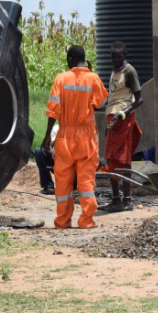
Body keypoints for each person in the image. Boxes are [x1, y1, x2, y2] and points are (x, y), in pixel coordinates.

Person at [42, 45, 108, 229]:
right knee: (86, 179)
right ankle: (86, 220)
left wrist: (48, 135)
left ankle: (62, 221)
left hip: (65, 135)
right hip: (86, 136)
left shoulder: (61, 79)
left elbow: (53, 110)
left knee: (63, 181)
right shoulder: (92, 78)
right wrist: (92, 77)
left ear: (71, 59)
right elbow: (102, 103)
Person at [102, 41, 143, 212]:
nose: (116, 60)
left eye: (119, 57)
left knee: (123, 161)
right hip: (112, 120)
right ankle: (116, 199)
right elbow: (112, 98)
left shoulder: (129, 71)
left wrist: (123, 114)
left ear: (124, 55)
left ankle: (127, 200)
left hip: (123, 120)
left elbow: (139, 99)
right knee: (110, 159)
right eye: (113, 57)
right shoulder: (114, 72)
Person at [33, 123, 58, 195]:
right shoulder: (56, 128)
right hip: (56, 161)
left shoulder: (75, 131)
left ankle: (74, 187)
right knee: (39, 152)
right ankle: (48, 186)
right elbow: (48, 147)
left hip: (70, 165)